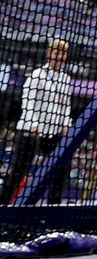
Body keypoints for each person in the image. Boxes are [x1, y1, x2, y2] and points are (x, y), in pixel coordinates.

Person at [3, 39, 76, 206]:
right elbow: (27, 102)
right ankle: (3, 205)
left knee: (60, 171)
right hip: (31, 130)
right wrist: (34, 123)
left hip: (54, 132)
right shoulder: (37, 75)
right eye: (56, 52)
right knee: (18, 171)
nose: (60, 56)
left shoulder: (65, 79)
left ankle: (53, 208)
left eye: (63, 53)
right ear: (49, 53)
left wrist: (66, 123)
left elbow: (66, 106)